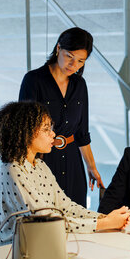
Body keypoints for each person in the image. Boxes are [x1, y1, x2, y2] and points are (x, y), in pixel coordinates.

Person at [0, 101, 130, 245]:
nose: (53, 134)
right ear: (26, 133)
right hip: (19, 252)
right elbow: (47, 222)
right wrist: (104, 224)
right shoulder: (13, 170)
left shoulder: (40, 165)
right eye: (46, 129)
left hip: (46, 245)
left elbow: (66, 207)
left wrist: (104, 218)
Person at [19, 27, 102, 207]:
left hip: (73, 162)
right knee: (47, 217)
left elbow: (82, 133)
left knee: (77, 216)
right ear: (58, 49)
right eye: (70, 56)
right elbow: (25, 131)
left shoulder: (80, 85)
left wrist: (91, 167)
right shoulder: (33, 80)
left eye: (81, 61)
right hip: (43, 160)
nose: (74, 65)